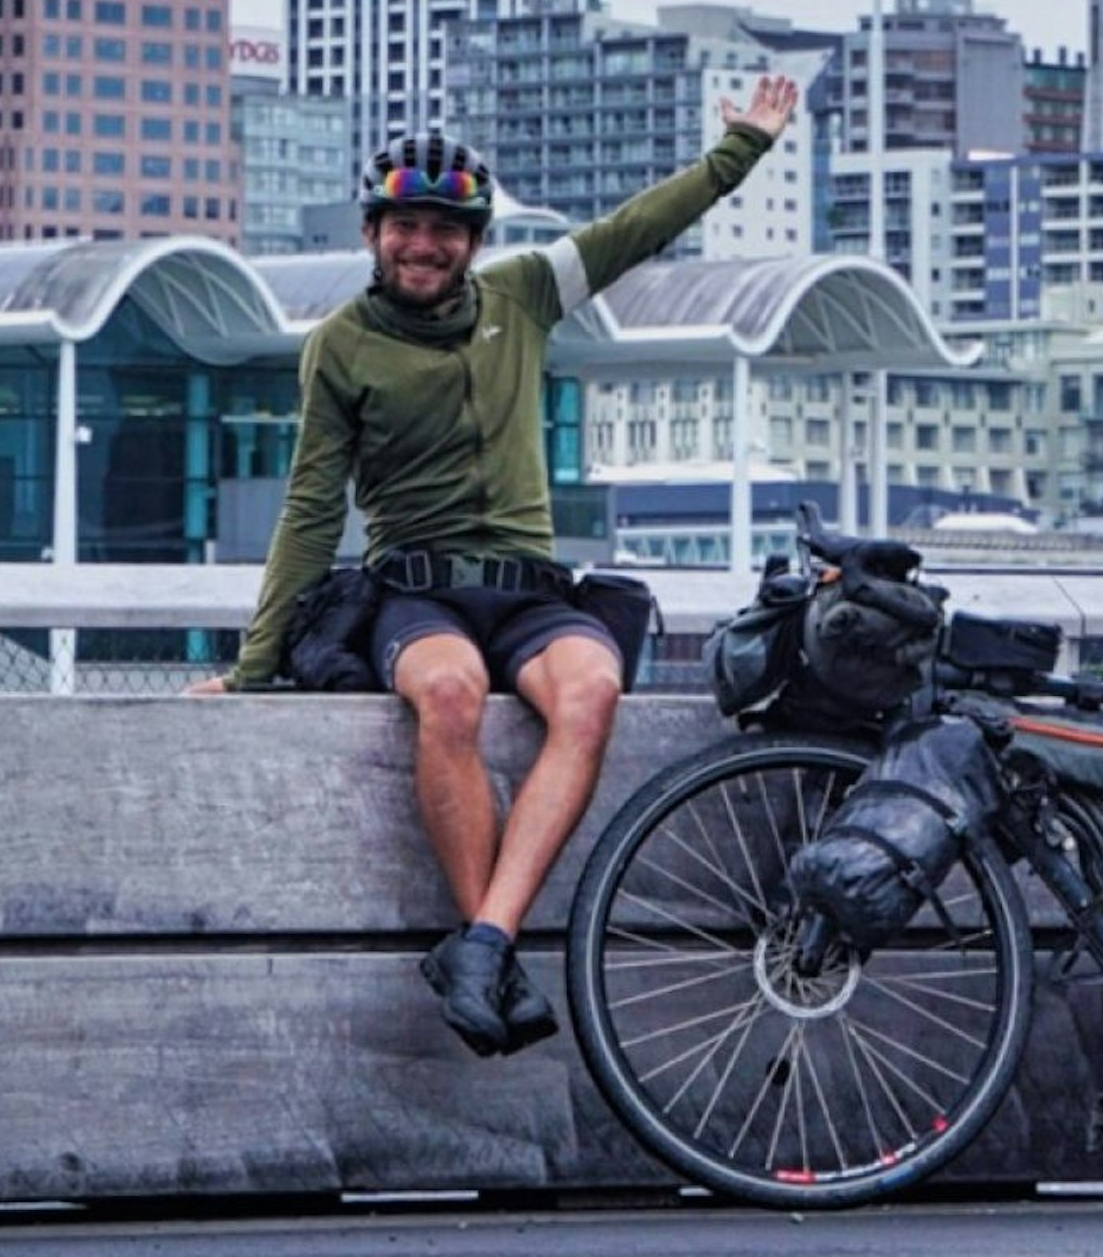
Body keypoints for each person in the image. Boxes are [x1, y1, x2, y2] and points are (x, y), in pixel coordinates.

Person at [189, 79, 798, 1056]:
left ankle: (479, 942)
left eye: (445, 228)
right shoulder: (340, 345)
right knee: (449, 690)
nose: (422, 245)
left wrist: (742, 149)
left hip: (525, 591)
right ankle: (490, 946)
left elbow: (640, 226)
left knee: (592, 688)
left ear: (473, 240)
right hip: (416, 591)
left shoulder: (524, 293)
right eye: (403, 226)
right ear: (372, 231)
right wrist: (256, 666)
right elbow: (310, 509)